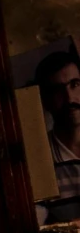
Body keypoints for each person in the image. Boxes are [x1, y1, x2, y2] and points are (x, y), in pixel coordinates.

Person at [37, 50, 80, 205]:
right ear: (45, 100)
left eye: (75, 84)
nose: (69, 98)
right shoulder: (40, 161)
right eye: (58, 90)